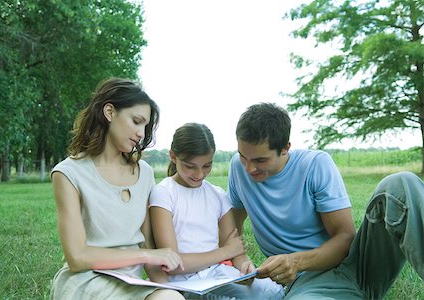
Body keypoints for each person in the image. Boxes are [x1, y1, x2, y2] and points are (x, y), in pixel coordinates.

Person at [227, 102, 424, 299]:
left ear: (285, 148)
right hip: (309, 284)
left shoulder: (314, 165)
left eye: (260, 160)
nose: (249, 169)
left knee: (401, 184)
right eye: (243, 157)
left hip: (358, 267)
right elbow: (231, 231)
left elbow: (345, 237)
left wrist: (296, 261)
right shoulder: (238, 168)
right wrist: (242, 260)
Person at [50, 77, 185, 300]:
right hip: (85, 280)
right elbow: (77, 257)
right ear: (110, 112)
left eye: (145, 125)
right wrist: (146, 256)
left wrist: (172, 291)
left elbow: (148, 244)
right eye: (136, 121)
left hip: (130, 284)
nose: (142, 133)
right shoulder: (68, 173)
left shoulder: (145, 173)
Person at [149, 122, 284, 299]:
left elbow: (237, 252)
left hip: (217, 275)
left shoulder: (217, 195)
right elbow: (173, 264)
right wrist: (225, 252)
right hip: (185, 283)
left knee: (274, 292)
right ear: (173, 157)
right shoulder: (164, 193)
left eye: (207, 165)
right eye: (190, 166)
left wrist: (244, 266)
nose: (199, 174)